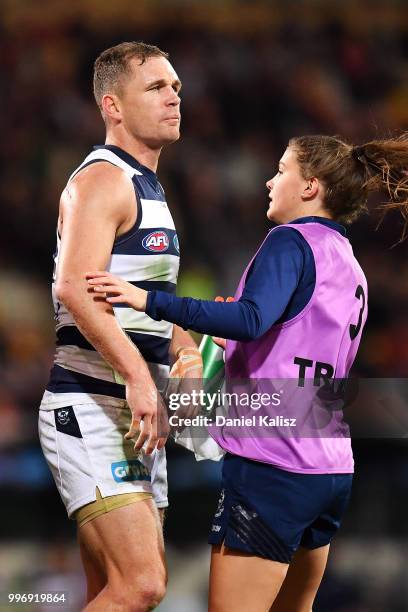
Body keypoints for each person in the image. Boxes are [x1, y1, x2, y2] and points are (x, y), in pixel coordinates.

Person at [86, 133, 408, 612]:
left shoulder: (290, 241)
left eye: (281, 170)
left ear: (310, 187)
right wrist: (228, 338)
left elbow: (252, 320)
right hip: (330, 467)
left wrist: (149, 300)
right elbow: (294, 343)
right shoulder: (350, 264)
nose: (270, 180)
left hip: (274, 466)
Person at [38, 41, 203, 611]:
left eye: (176, 87)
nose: (173, 98)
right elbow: (72, 286)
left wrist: (184, 354)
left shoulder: (150, 185)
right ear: (112, 106)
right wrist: (137, 375)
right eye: (156, 88)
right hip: (90, 403)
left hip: (133, 416)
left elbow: (148, 305)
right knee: (143, 585)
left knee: (111, 592)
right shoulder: (104, 179)